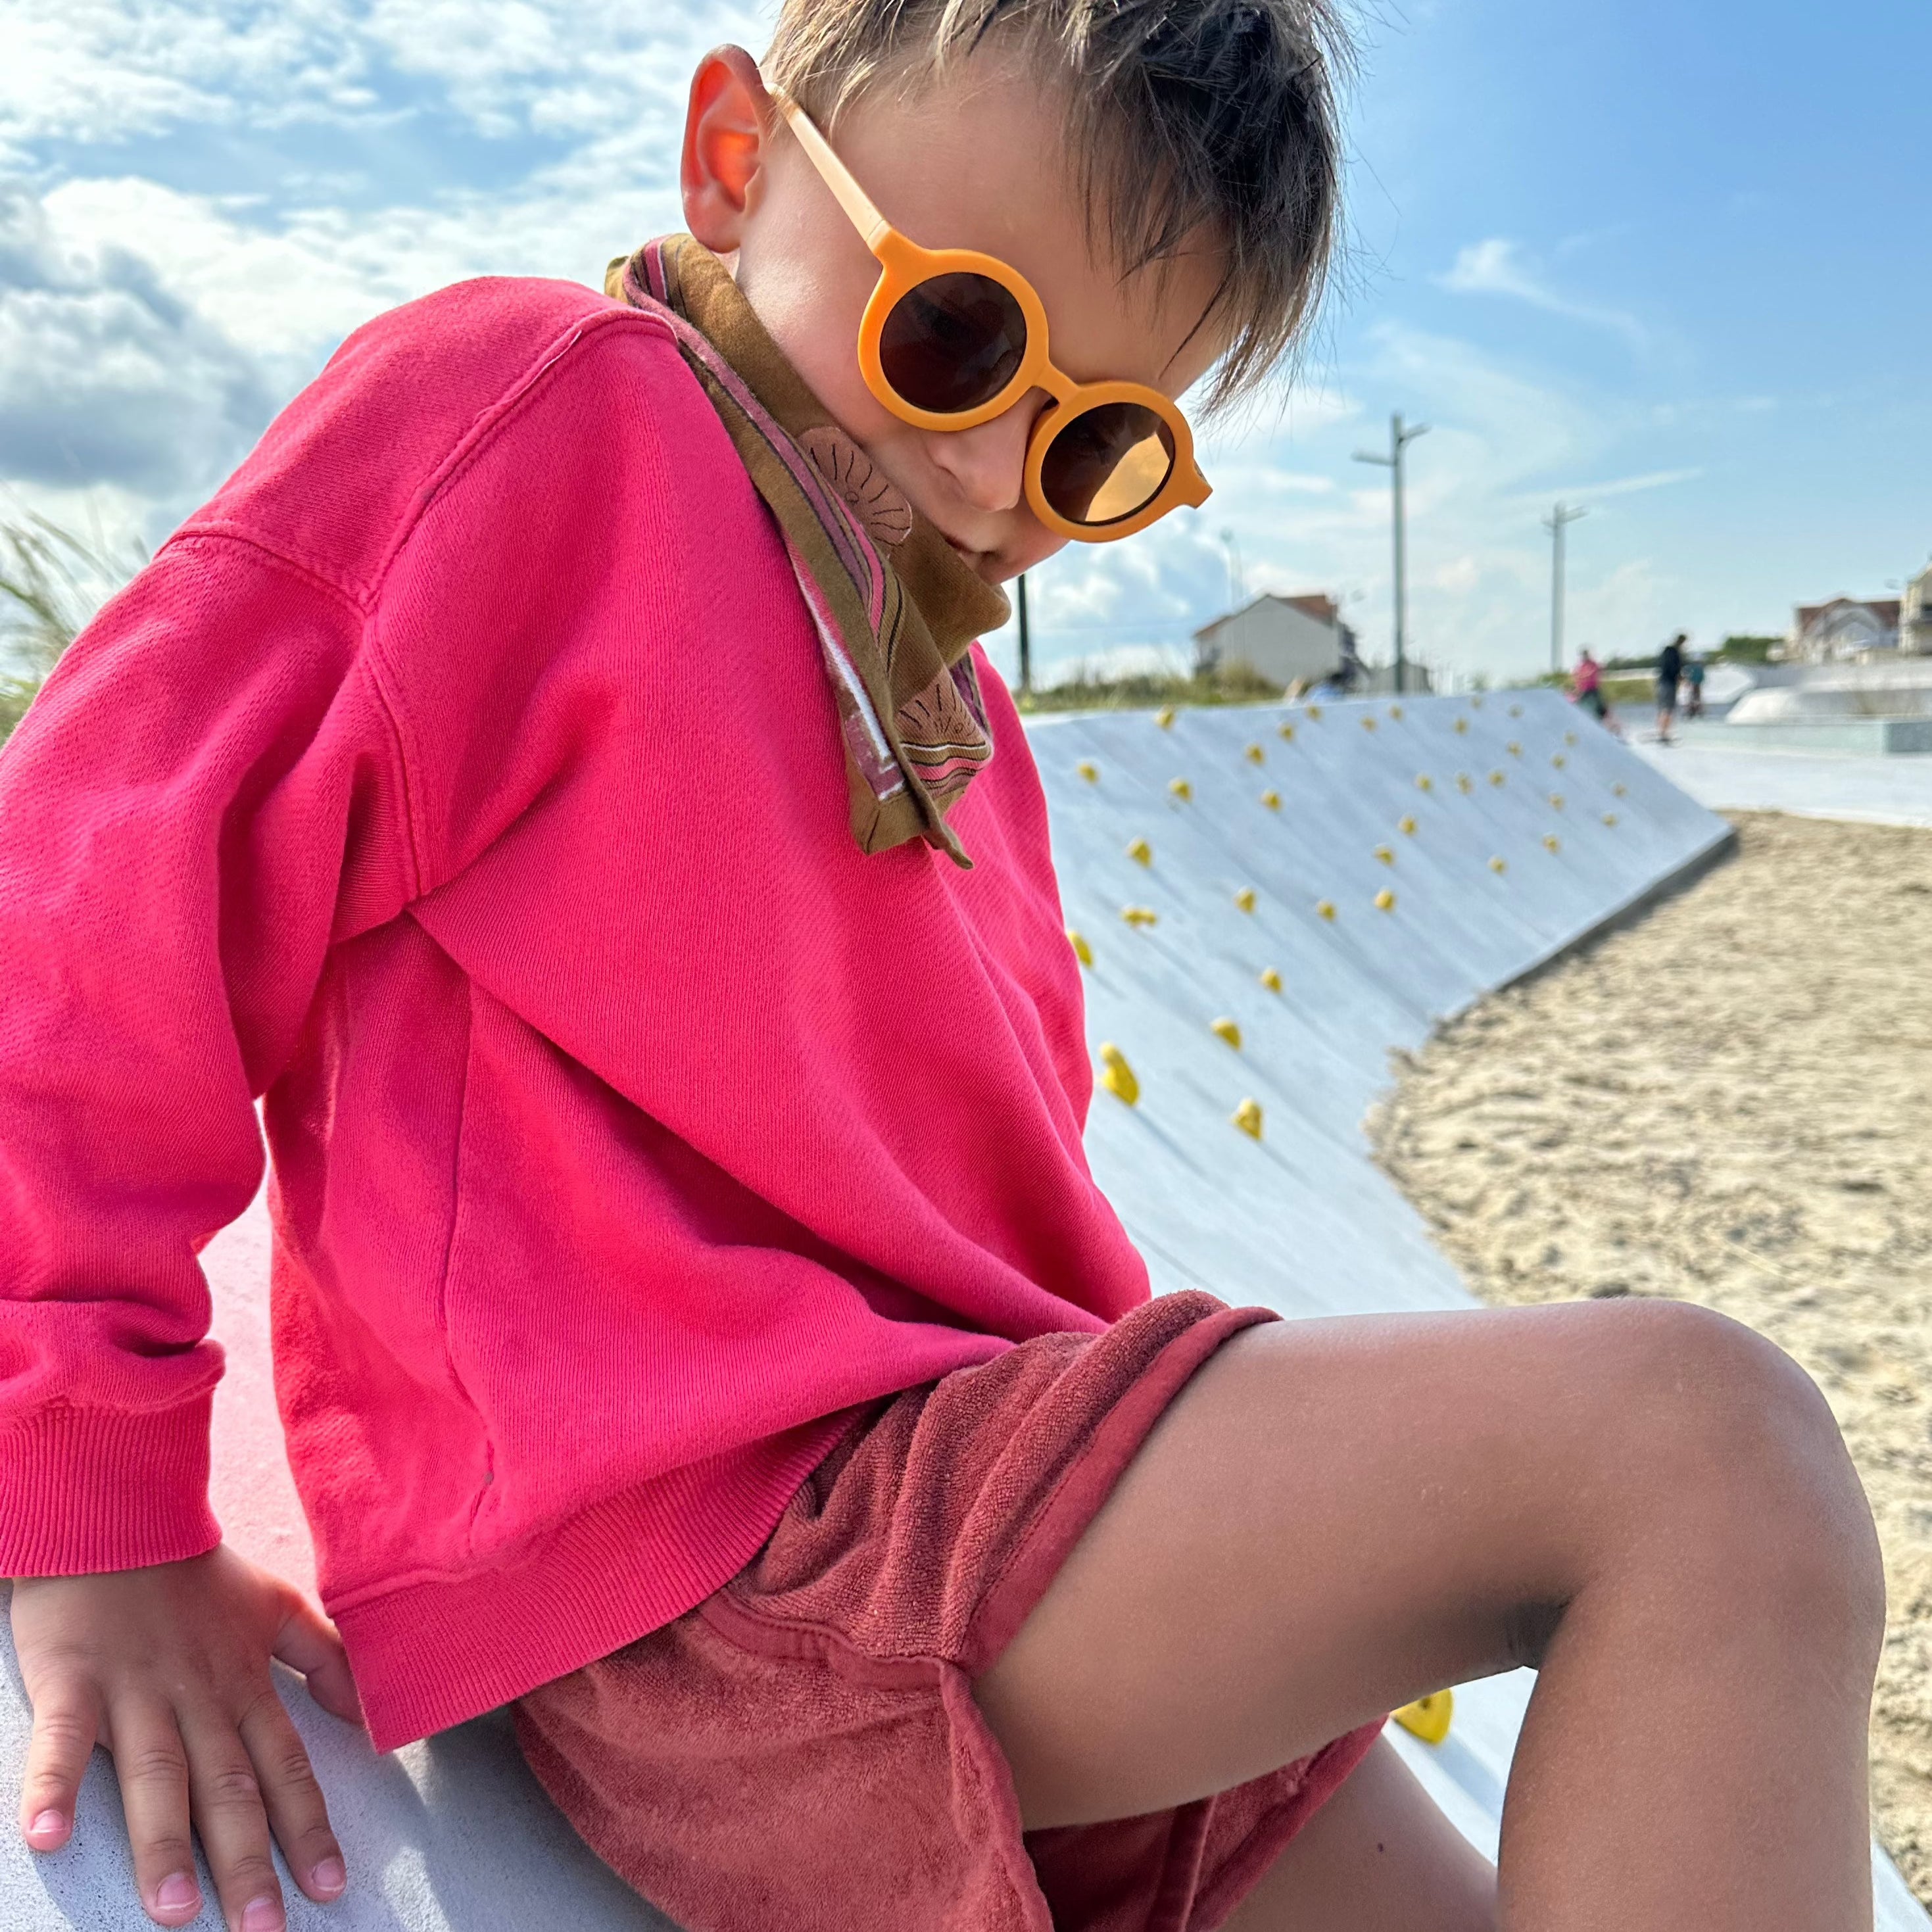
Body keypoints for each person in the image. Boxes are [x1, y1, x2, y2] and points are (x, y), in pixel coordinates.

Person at [1, 6, 1884, 1932]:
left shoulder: (952, 697)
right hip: (724, 1555)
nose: (993, 470)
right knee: (1701, 1445)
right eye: (958, 336)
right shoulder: (548, 414)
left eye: (1094, 449)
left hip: (984, 1528)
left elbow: (1017, 1209)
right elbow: (83, 872)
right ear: (736, 160)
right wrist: (89, 1496)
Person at [1571, 646, 1619, 735]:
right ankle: (1579, 726)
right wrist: (1577, 689)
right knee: (1577, 707)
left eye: (1586, 655)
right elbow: (1577, 678)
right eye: (1584, 655)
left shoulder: (1593, 664)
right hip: (1584, 691)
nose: (1585, 657)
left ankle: (1614, 728)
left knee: (1602, 709)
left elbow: (1597, 671)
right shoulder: (1580, 667)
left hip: (1594, 689)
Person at [1655, 631, 1687, 742]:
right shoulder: (1673, 652)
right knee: (1668, 708)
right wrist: (1680, 677)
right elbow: (1673, 669)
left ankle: (1662, 732)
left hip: (1664, 683)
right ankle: (1663, 733)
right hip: (1669, 684)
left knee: (1665, 708)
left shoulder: (1668, 651)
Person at [1685, 650, 1707, 720]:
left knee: (1694, 698)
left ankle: (1695, 711)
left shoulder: (1693, 667)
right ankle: (1695, 711)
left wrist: (1689, 682)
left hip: (1695, 684)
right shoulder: (1699, 667)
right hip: (1696, 684)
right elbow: (1701, 677)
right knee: (1696, 698)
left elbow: (1689, 675)